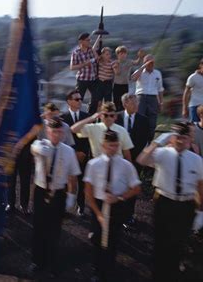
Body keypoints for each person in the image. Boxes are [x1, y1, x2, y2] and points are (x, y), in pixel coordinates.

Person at [137, 122, 203, 282]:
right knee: (160, 243)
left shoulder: (196, 159)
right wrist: (158, 141)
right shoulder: (162, 153)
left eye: (184, 138)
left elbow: (200, 187)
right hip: (164, 202)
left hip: (186, 204)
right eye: (177, 137)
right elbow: (141, 159)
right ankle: (158, 276)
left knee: (178, 243)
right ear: (172, 138)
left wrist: (200, 211)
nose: (181, 141)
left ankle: (172, 274)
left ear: (189, 139)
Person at [84, 130, 141, 281]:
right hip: (99, 205)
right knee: (97, 239)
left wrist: (120, 197)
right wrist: (98, 214)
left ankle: (109, 271)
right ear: (103, 145)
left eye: (116, 145)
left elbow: (136, 188)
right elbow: (88, 191)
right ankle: (96, 272)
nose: (113, 149)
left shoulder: (126, 166)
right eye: (110, 145)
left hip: (116, 205)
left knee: (113, 240)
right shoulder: (93, 164)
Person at [30, 117, 80, 274]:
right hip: (40, 190)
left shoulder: (69, 151)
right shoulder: (40, 145)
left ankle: (51, 262)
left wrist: (71, 198)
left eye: (59, 132)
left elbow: (73, 176)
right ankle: (37, 261)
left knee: (54, 230)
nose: (56, 135)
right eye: (53, 132)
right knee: (38, 228)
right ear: (48, 132)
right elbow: (34, 147)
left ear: (63, 132)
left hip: (58, 193)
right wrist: (41, 149)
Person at [115, 93, 150, 227]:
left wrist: (132, 159)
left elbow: (142, 141)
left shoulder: (144, 120)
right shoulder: (116, 117)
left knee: (131, 189)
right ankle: (117, 214)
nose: (136, 105)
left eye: (137, 102)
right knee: (117, 187)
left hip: (135, 161)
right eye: (133, 103)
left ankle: (128, 216)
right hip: (117, 159)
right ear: (125, 104)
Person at [61, 89, 91, 216]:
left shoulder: (87, 117)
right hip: (68, 155)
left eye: (80, 99)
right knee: (66, 182)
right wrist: (73, 153)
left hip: (83, 156)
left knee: (82, 182)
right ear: (69, 101)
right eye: (77, 99)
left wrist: (83, 152)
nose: (80, 101)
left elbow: (89, 137)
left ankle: (81, 206)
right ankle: (66, 207)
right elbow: (63, 138)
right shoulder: (63, 118)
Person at [131, 54, 164, 140]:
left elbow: (160, 89)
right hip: (141, 97)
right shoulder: (140, 71)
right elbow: (133, 78)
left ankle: (149, 142)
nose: (150, 64)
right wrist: (143, 67)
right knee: (140, 120)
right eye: (148, 62)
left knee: (152, 122)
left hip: (153, 98)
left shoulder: (157, 73)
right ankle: (139, 141)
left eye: (152, 62)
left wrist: (161, 102)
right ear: (144, 62)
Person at [70, 32, 100, 114]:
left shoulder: (91, 50)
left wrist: (98, 37)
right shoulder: (76, 52)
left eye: (90, 40)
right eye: (87, 40)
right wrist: (84, 64)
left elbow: (96, 57)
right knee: (78, 99)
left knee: (96, 98)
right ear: (81, 41)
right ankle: (76, 115)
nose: (89, 42)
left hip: (92, 79)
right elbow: (72, 67)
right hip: (82, 79)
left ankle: (90, 115)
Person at [112, 46, 139, 110]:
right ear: (118, 54)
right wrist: (117, 66)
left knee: (124, 103)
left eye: (124, 53)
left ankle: (123, 117)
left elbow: (136, 63)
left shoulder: (129, 61)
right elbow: (117, 73)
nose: (123, 55)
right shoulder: (115, 63)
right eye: (121, 53)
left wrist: (139, 56)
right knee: (116, 103)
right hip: (117, 85)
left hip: (125, 85)